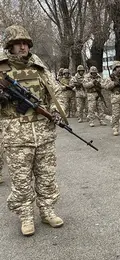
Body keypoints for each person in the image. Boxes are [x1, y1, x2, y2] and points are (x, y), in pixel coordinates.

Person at [0, 25, 66, 236]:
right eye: (18, 43)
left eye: (26, 43)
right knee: (21, 180)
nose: (23, 47)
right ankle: (26, 216)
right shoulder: (0, 69)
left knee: (47, 177)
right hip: (16, 136)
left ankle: (47, 210)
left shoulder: (39, 68)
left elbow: (57, 92)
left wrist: (56, 111)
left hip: (44, 133)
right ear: (10, 46)